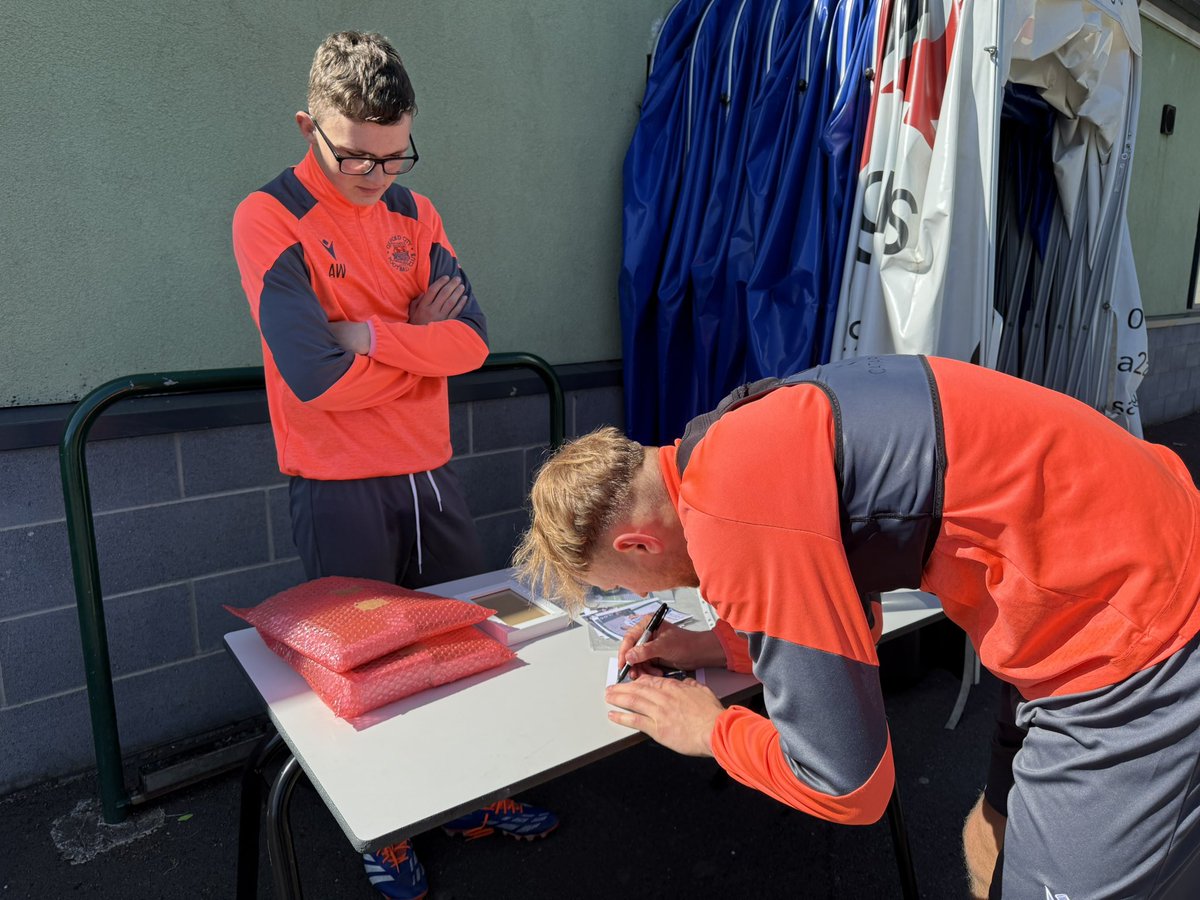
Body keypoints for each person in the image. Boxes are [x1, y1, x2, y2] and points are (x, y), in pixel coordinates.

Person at [516, 353, 1200, 898]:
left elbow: (848, 788)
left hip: (1141, 632)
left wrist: (708, 731)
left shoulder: (733, 524)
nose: (638, 596)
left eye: (617, 586)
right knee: (989, 839)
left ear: (637, 545)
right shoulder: (731, 438)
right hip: (1107, 575)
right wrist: (710, 645)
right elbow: (853, 619)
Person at [232, 30, 556, 900]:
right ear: (309, 126)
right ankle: (389, 834)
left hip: (429, 472)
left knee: (462, 645)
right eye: (355, 158)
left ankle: (469, 800)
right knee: (360, 672)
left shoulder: (417, 214)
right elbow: (309, 375)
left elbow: (475, 343)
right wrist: (420, 344)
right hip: (334, 483)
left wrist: (374, 333)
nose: (377, 176)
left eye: (394, 155)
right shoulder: (270, 217)